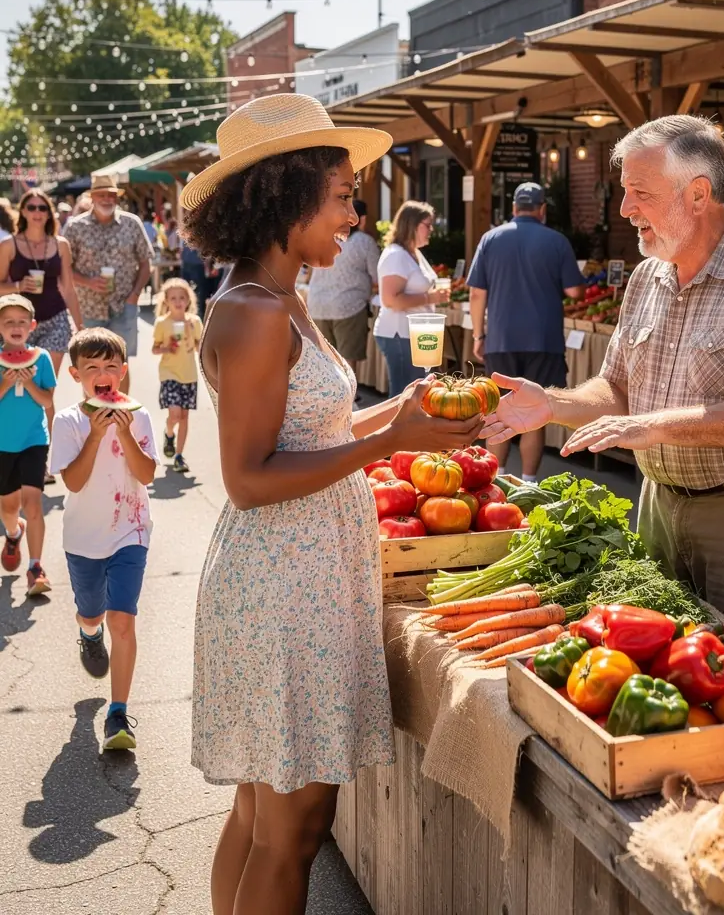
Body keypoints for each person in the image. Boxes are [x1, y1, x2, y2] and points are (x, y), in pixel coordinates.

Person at [179, 93, 483, 915]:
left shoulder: (283, 298)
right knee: (296, 825)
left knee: (262, 811)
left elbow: (320, 429)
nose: (358, 213)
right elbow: (248, 477)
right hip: (282, 586)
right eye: (345, 194)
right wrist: (390, 444)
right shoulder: (250, 312)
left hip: (308, 575)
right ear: (286, 195)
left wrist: (406, 411)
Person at [482, 115, 724, 645]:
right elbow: (616, 389)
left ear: (697, 194)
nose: (625, 210)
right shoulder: (648, 276)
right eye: (625, 193)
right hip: (660, 506)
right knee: (668, 670)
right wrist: (550, 405)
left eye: (639, 193)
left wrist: (655, 426)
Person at [49, 327, 158, 750]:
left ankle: (117, 715)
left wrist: (124, 432)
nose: (102, 372)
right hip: (83, 538)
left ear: (123, 372)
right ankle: (88, 633)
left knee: (122, 620)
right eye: (91, 366)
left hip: (130, 531)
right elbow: (73, 483)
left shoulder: (140, 415)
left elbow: (146, 475)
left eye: (111, 365)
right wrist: (96, 434)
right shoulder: (68, 421)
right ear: (76, 374)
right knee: (92, 614)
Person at [467, 182, 585, 482]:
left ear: (513, 208)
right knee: (535, 415)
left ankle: (494, 480)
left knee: (497, 413)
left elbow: (476, 294)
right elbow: (574, 290)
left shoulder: (490, 239)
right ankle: (529, 482)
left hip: (500, 340)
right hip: (544, 340)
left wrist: (478, 335)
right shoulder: (557, 241)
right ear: (542, 209)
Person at [64, 174, 152, 395]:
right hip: (89, 308)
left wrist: (135, 295)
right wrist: (88, 282)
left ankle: (121, 411)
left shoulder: (132, 223)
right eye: (102, 195)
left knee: (119, 363)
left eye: (111, 195)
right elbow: (64, 269)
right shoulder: (75, 227)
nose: (107, 199)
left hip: (124, 305)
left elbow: (145, 263)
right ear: (92, 197)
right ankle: (94, 417)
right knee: (90, 364)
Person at [0, 294, 56, 596]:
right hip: (1, 445)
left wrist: (30, 382)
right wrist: (7, 383)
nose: (16, 326)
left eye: (22, 321)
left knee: (33, 504)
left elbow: (47, 401)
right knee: (8, 507)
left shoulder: (42, 358)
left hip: (34, 440)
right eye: (9, 321)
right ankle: (13, 532)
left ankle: (36, 567)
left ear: (32, 325)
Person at [0, 190, 84, 382]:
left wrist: (80, 328)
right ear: (23, 212)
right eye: (31, 207)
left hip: (56, 319)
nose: (37, 212)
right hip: (17, 321)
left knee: (44, 385)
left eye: (42, 208)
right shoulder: (8, 245)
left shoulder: (61, 244)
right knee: (17, 383)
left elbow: (69, 289)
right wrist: (19, 285)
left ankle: (49, 414)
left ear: (48, 213)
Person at [373, 201, 449, 397]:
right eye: (427, 224)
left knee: (417, 394)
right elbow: (391, 300)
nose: (431, 229)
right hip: (399, 334)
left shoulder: (414, 253)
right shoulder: (395, 255)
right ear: (412, 225)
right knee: (403, 396)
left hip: (413, 335)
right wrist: (430, 297)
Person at [308, 198, 379, 371]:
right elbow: (378, 277)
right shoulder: (365, 241)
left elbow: (309, 272)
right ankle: (350, 398)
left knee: (324, 362)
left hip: (317, 305)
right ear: (361, 219)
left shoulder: (322, 236)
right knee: (346, 363)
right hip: (349, 306)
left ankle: (329, 398)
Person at [152, 278, 202, 474]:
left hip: (189, 375)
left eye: (182, 297)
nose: (178, 301)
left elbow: (200, 346)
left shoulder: (195, 321)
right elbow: (155, 349)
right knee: (174, 414)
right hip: (169, 374)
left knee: (184, 416)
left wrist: (191, 334)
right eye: (173, 298)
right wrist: (167, 347)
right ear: (166, 301)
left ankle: (179, 456)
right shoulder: (162, 323)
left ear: (188, 300)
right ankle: (169, 433)